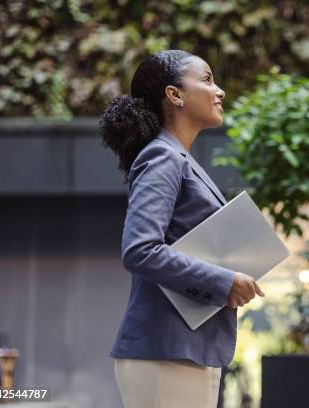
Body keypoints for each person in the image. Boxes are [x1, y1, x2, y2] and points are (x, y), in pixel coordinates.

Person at [99, 49, 264, 408]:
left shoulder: (179, 157)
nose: (219, 90)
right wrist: (224, 281)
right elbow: (140, 250)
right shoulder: (162, 156)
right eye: (206, 80)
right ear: (174, 94)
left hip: (186, 350)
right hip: (166, 352)